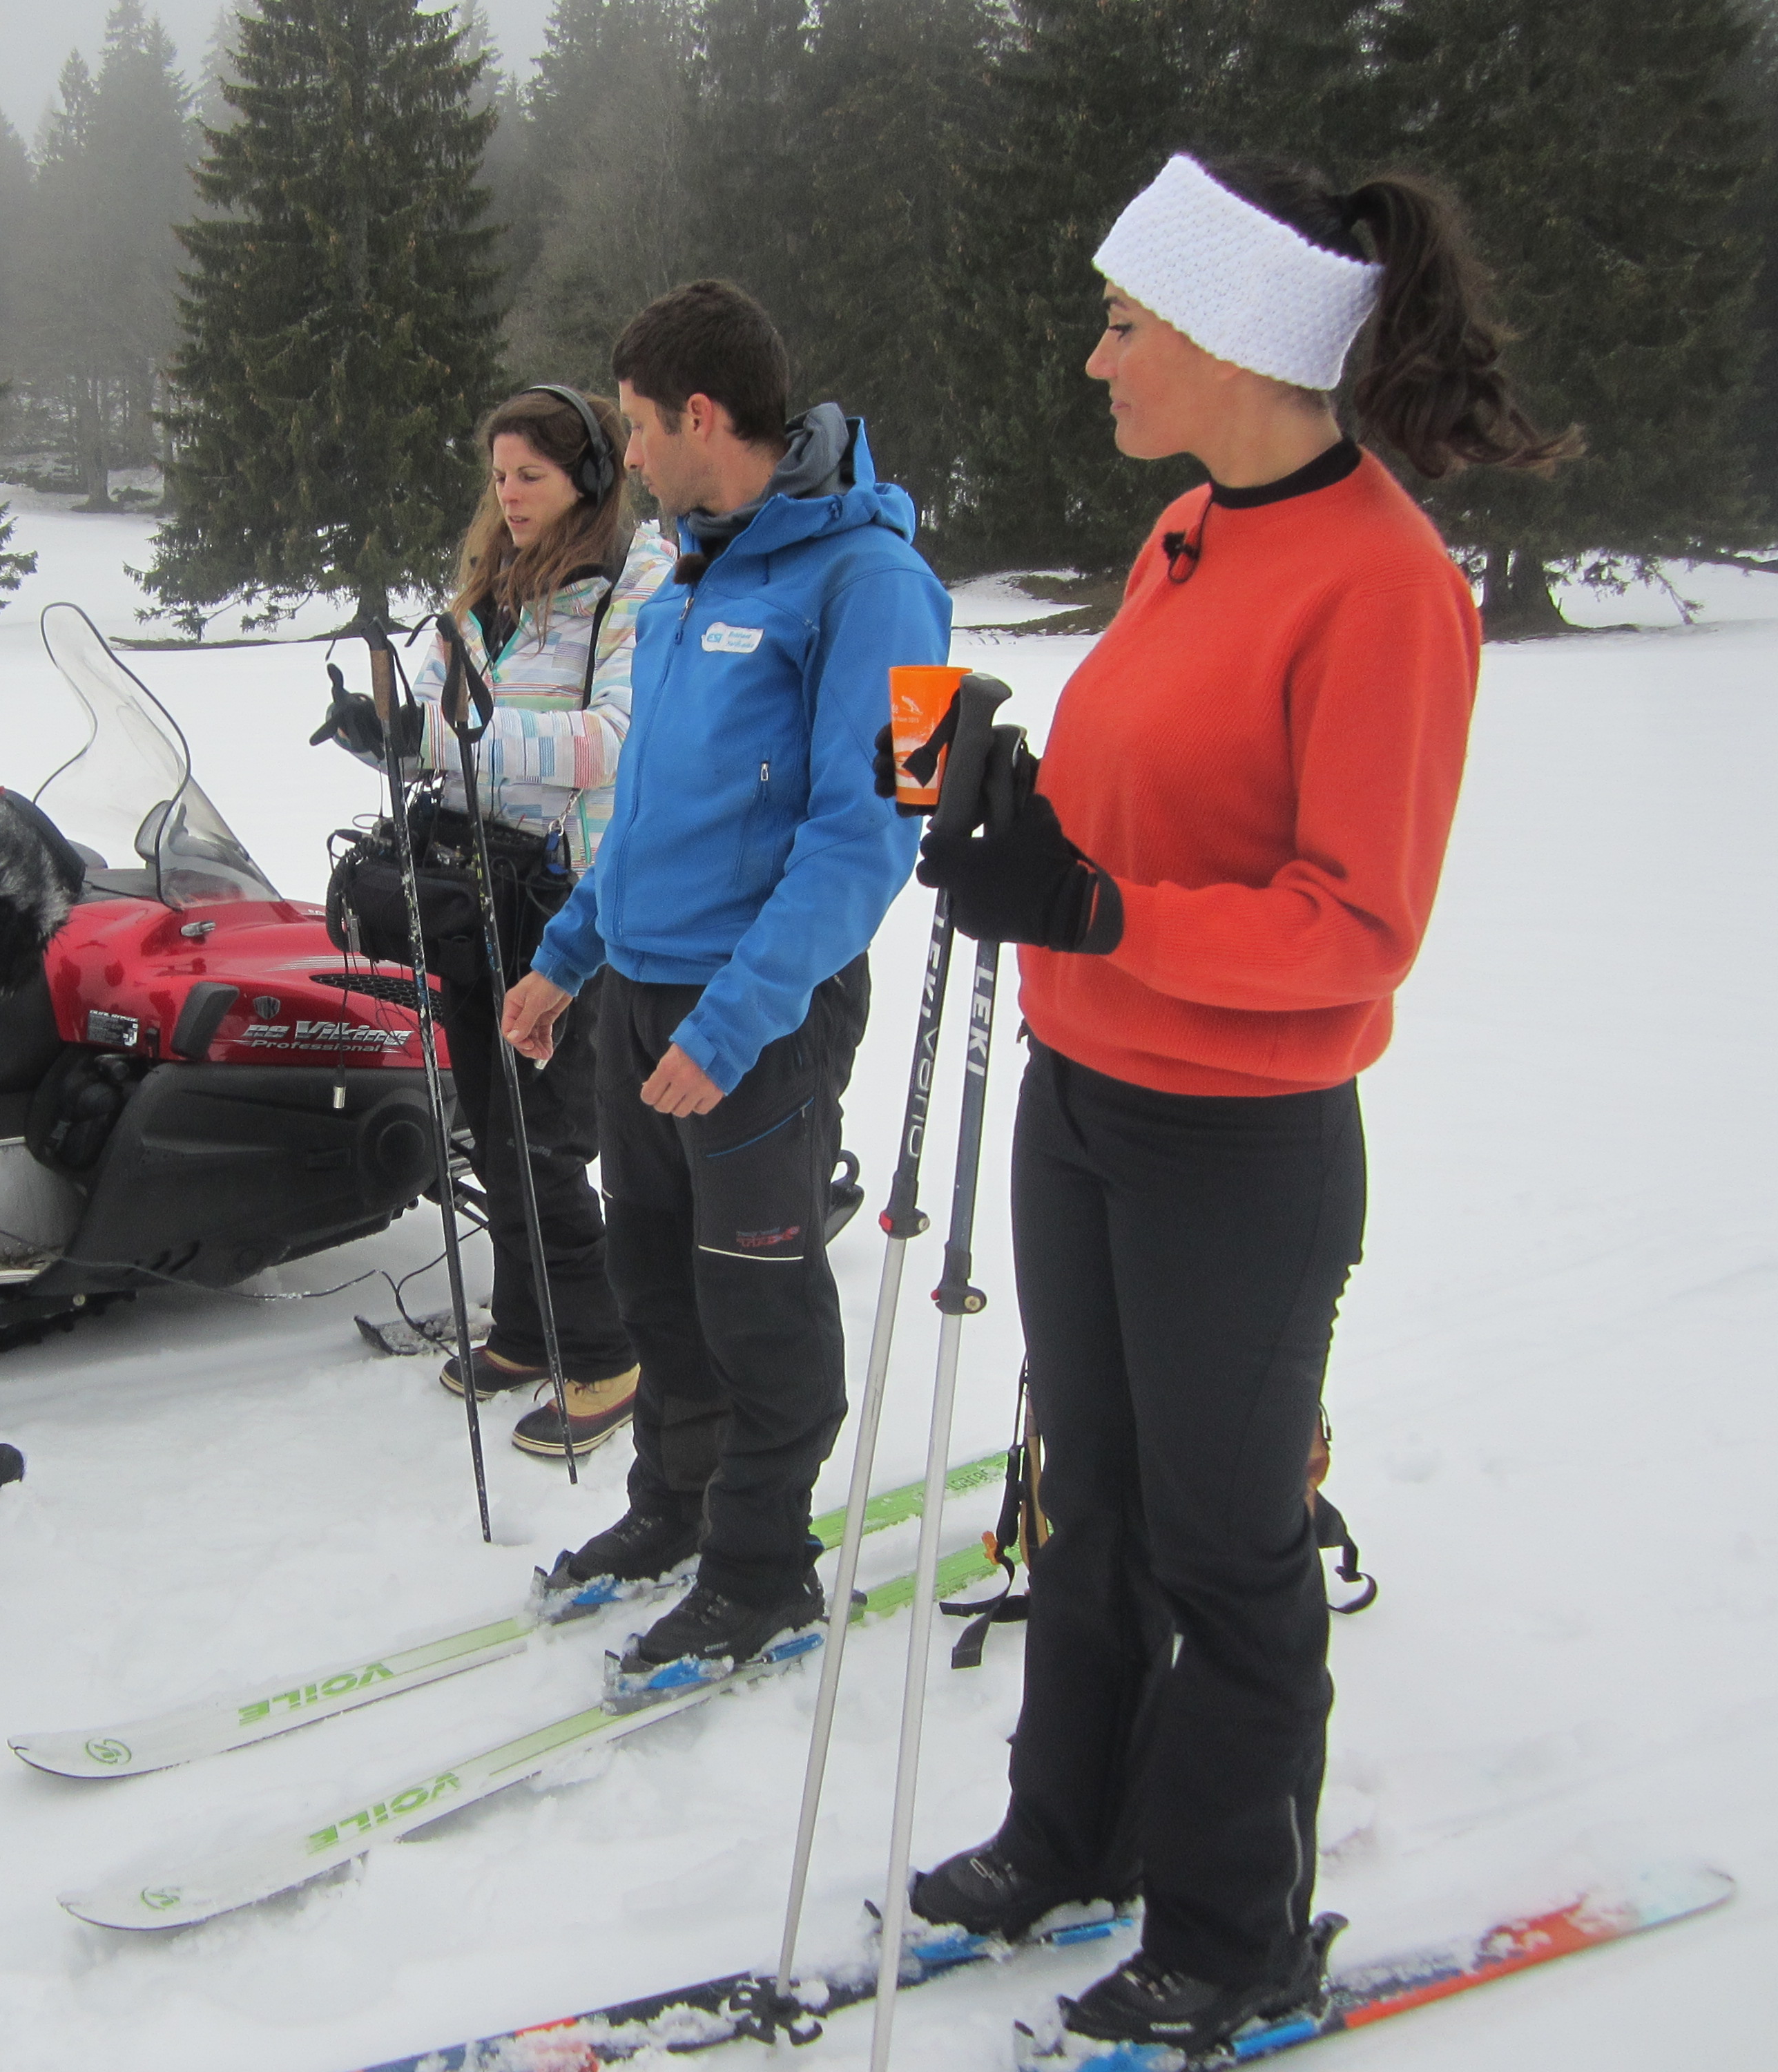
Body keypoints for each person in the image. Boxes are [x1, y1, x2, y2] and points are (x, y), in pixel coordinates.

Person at [898, 155, 1576, 2052]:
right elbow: (1157, 810)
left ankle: (1235, 1927)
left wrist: (1098, 907)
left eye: (1131, 324)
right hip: (1086, 1096)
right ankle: (1069, 1838)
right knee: (1086, 1502)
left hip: (1242, 1150)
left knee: (1228, 1544)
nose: (1098, 355)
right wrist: (1020, 823)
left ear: (1244, 342)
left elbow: (1356, 930)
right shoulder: (1188, 529)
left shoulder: (1386, 585)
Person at [499, 282, 949, 1674]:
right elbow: (647, 805)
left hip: (760, 1012)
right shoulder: (700, 568)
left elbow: (876, 830)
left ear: (701, 417)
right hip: (642, 997)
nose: (623, 457)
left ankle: (761, 1569)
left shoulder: (884, 586)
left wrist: (739, 1016)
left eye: (635, 427)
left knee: (756, 1304)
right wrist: (568, 955)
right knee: (653, 1283)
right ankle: (677, 1509)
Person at [318, 386, 671, 1458]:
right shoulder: (484, 589)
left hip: (568, 895)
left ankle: (607, 1352)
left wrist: (465, 735)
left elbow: (616, 739)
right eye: (501, 475)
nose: (511, 496)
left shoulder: (632, 588)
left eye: (535, 476)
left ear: (591, 480)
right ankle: (528, 1324)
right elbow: (431, 715)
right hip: (470, 888)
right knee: (488, 1120)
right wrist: (387, 728)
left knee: (542, 1140)